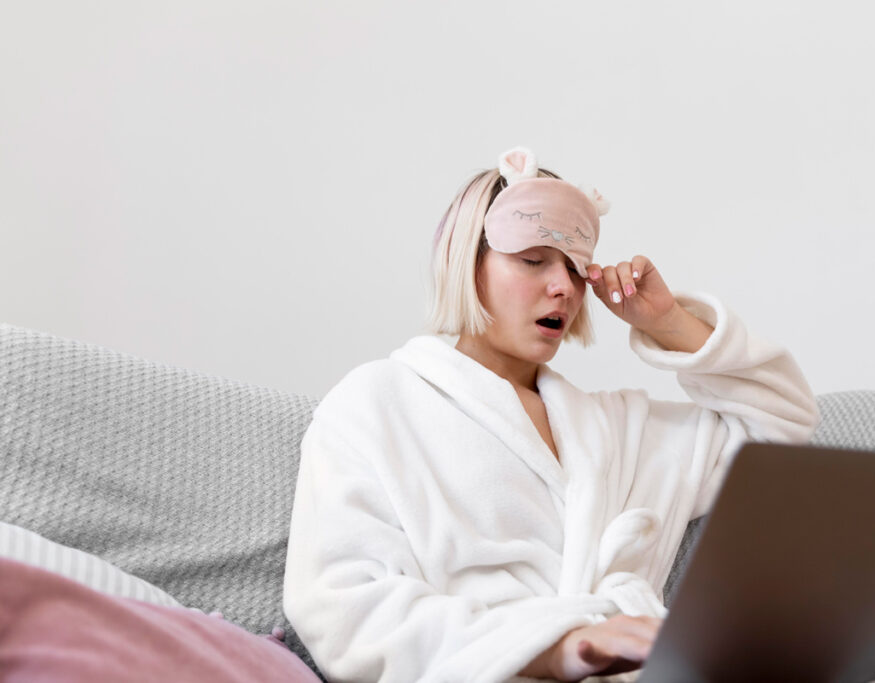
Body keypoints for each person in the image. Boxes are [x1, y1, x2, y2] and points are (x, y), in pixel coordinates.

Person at [283, 147, 821, 682]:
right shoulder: (376, 404)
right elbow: (341, 606)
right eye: (533, 259)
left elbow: (778, 428)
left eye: (575, 267)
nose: (563, 286)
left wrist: (669, 321)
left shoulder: (615, 430)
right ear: (466, 264)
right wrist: (555, 646)